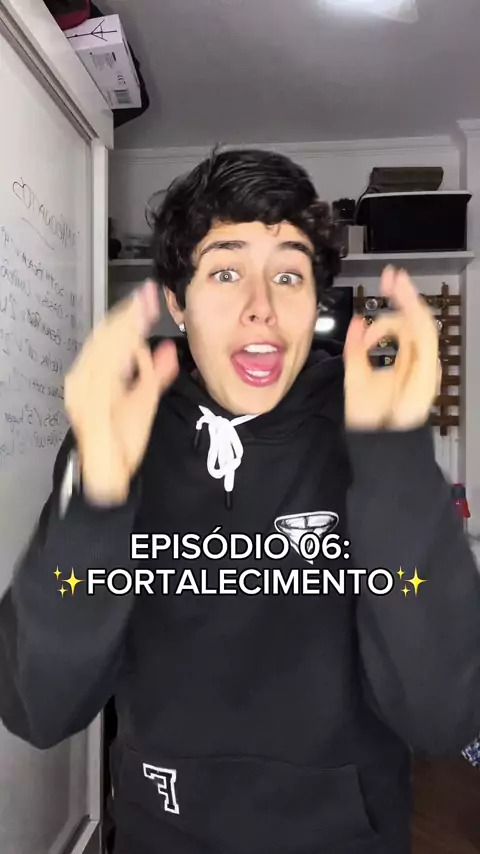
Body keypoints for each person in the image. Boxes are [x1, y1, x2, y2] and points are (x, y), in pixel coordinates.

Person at [1, 147, 480, 854]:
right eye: (226, 272)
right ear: (176, 301)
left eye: (288, 275)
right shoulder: (121, 429)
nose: (261, 307)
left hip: (348, 835)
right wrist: (96, 499)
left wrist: (395, 459)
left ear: (315, 302)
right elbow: (37, 707)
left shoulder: (370, 426)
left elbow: (444, 717)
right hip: (159, 828)